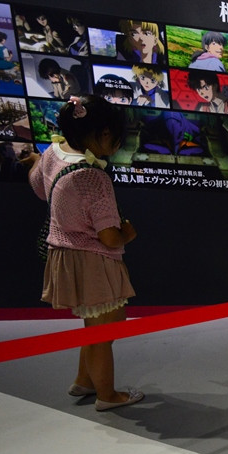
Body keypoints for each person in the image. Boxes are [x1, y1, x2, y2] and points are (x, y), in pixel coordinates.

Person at [28, 94, 144, 411]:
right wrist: (128, 233)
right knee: (102, 333)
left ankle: (84, 380)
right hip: (93, 260)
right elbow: (109, 237)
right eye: (117, 139)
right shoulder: (93, 176)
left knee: (100, 323)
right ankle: (108, 396)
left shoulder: (53, 152)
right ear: (104, 133)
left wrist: (37, 162)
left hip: (66, 256)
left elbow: (38, 186)